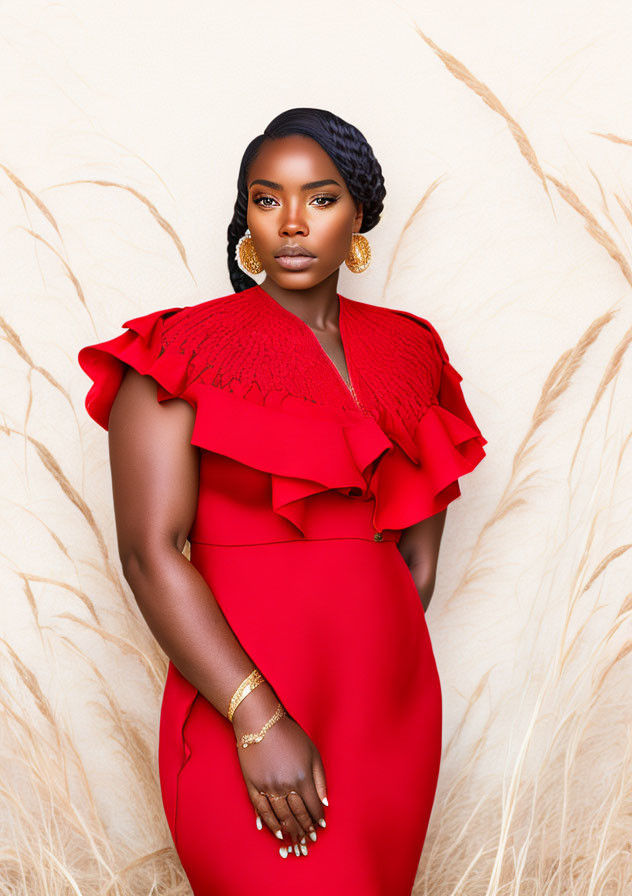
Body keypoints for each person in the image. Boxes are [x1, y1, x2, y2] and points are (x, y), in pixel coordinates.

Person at [77, 107, 487, 895]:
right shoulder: (176, 352)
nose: (293, 223)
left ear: (359, 214)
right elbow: (147, 554)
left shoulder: (413, 349)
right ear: (247, 218)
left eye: (321, 199)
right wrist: (255, 714)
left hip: (386, 712)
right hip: (241, 698)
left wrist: (376, 660)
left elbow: (418, 558)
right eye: (268, 200)